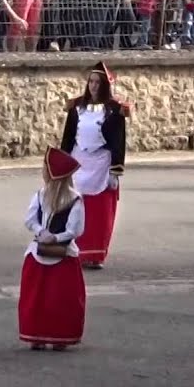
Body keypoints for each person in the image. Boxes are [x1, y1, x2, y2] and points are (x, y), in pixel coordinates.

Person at [59, 63, 128, 270]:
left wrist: (115, 171)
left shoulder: (115, 110)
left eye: (98, 82)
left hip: (101, 163)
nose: (94, 86)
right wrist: (62, 164)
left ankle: (95, 254)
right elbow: (68, 137)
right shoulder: (76, 107)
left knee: (98, 214)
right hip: (79, 162)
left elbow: (118, 141)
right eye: (91, 81)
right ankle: (74, 250)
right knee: (75, 209)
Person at [17, 147, 87, 350]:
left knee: (55, 298)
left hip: (58, 253)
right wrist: (42, 232)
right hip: (45, 251)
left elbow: (74, 230)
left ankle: (55, 336)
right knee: (48, 298)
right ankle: (40, 335)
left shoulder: (74, 199)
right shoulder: (41, 195)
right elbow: (30, 220)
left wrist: (52, 237)